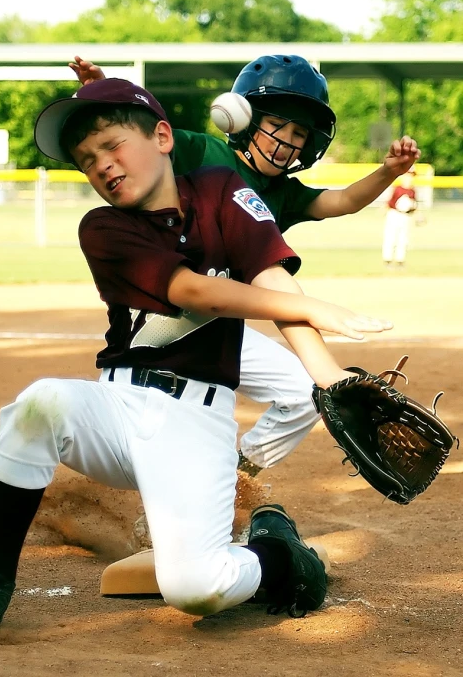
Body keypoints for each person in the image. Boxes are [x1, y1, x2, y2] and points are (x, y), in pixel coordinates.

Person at [0, 78, 392, 629]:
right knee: (40, 404)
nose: (101, 164)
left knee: (196, 589)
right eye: (87, 160)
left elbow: (271, 276)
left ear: (161, 136)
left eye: (111, 146)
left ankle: (280, 556)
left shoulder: (225, 190)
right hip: (116, 414)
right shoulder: (103, 227)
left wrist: (328, 375)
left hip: (195, 426)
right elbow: (192, 291)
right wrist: (318, 307)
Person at [70, 55, 421, 476]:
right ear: (244, 118)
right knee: (163, 417)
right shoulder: (205, 151)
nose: (286, 141)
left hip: (222, 318)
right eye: (278, 126)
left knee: (300, 392)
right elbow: (139, 138)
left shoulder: (284, 192)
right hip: (167, 308)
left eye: (299, 133)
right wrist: (104, 92)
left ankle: (237, 477)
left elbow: (343, 201)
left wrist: (388, 172)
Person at [382, 166, 418, 268]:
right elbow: (389, 203)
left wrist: (417, 215)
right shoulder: (397, 188)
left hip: (406, 216)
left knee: (403, 238)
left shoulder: (413, 191)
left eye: (412, 176)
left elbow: (414, 205)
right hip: (394, 214)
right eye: (408, 175)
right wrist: (384, 210)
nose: (410, 178)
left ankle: (400, 260)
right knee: (390, 236)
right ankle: (387, 259)